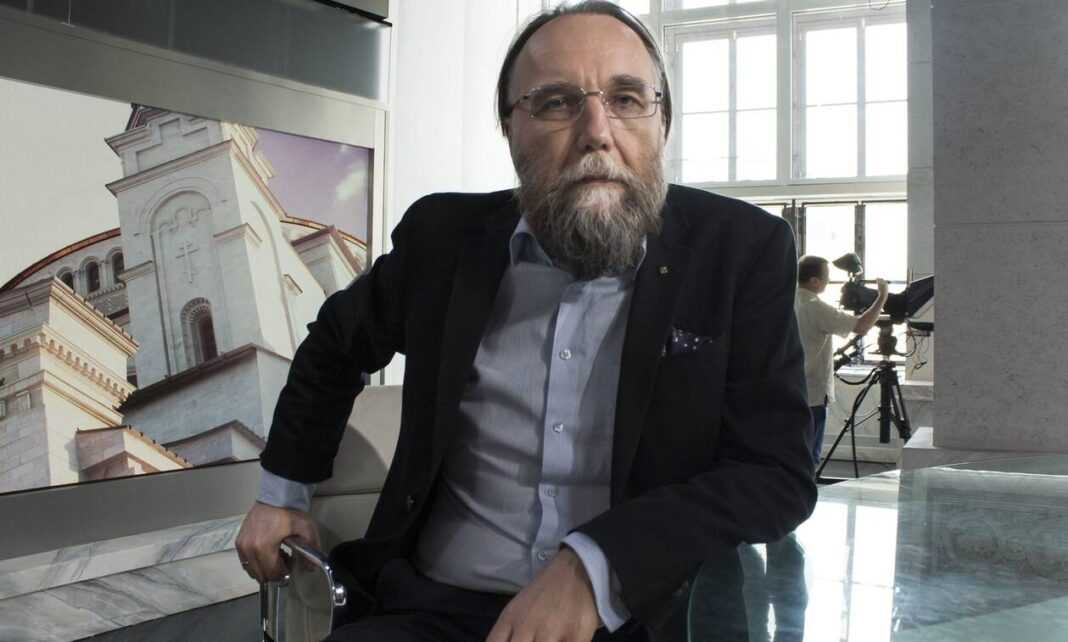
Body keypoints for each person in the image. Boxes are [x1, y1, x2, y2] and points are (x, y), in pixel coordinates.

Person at [237, 3, 817, 641]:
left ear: (663, 123)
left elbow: (775, 474)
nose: (597, 132)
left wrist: (599, 566)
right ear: (510, 128)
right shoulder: (443, 240)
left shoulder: (739, 252)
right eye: (557, 103)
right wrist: (281, 494)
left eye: (627, 99)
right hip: (433, 609)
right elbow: (334, 346)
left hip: (642, 616)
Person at [794, 255, 888, 467]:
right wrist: (882, 297)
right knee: (809, 456)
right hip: (812, 392)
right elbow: (861, 326)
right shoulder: (814, 306)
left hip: (790, 387)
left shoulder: (788, 300)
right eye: (826, 276)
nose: (829, 281)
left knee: (793, 451)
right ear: (814, 281)